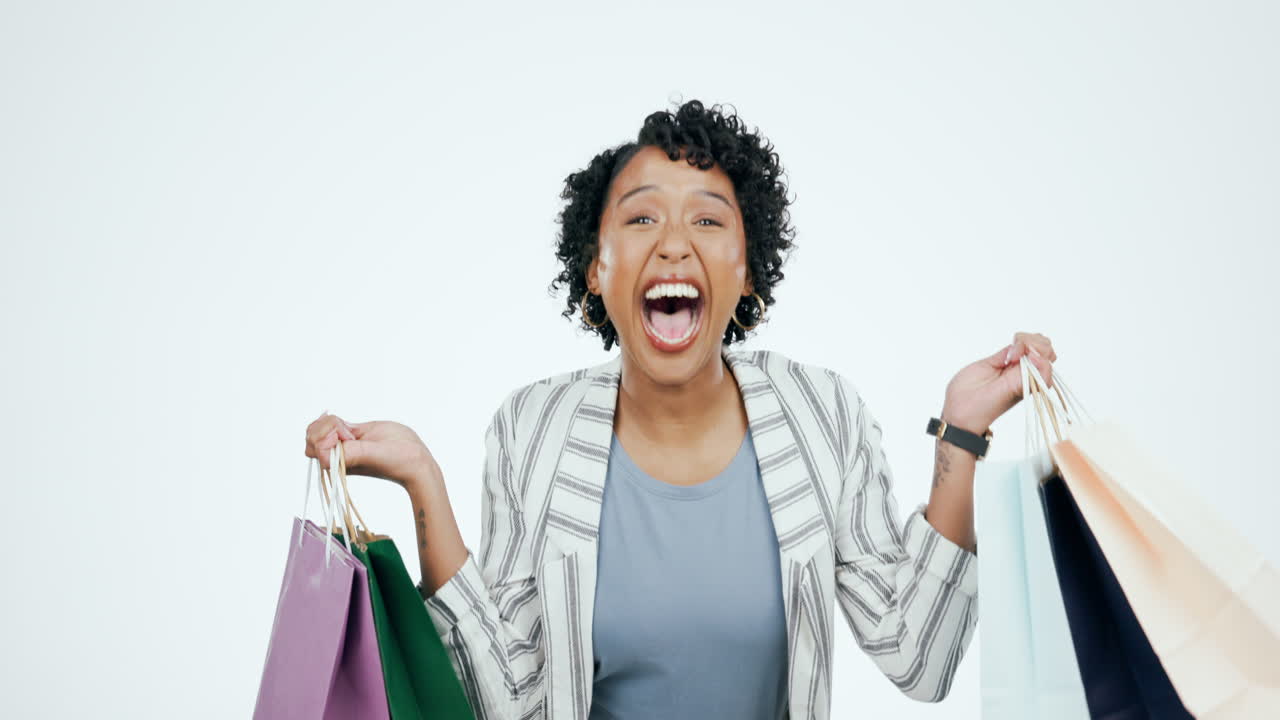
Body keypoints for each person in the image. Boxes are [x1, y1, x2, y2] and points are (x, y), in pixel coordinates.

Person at [303, 99, 1059, 720]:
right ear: (596, 271)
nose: (671, 245)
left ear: (746, 269)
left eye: (706, 220)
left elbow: (918, 656)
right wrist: (423, 485)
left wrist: (961, 432)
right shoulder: (532, 429)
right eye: (639, 220)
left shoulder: (820, 413)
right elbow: (505, 697)